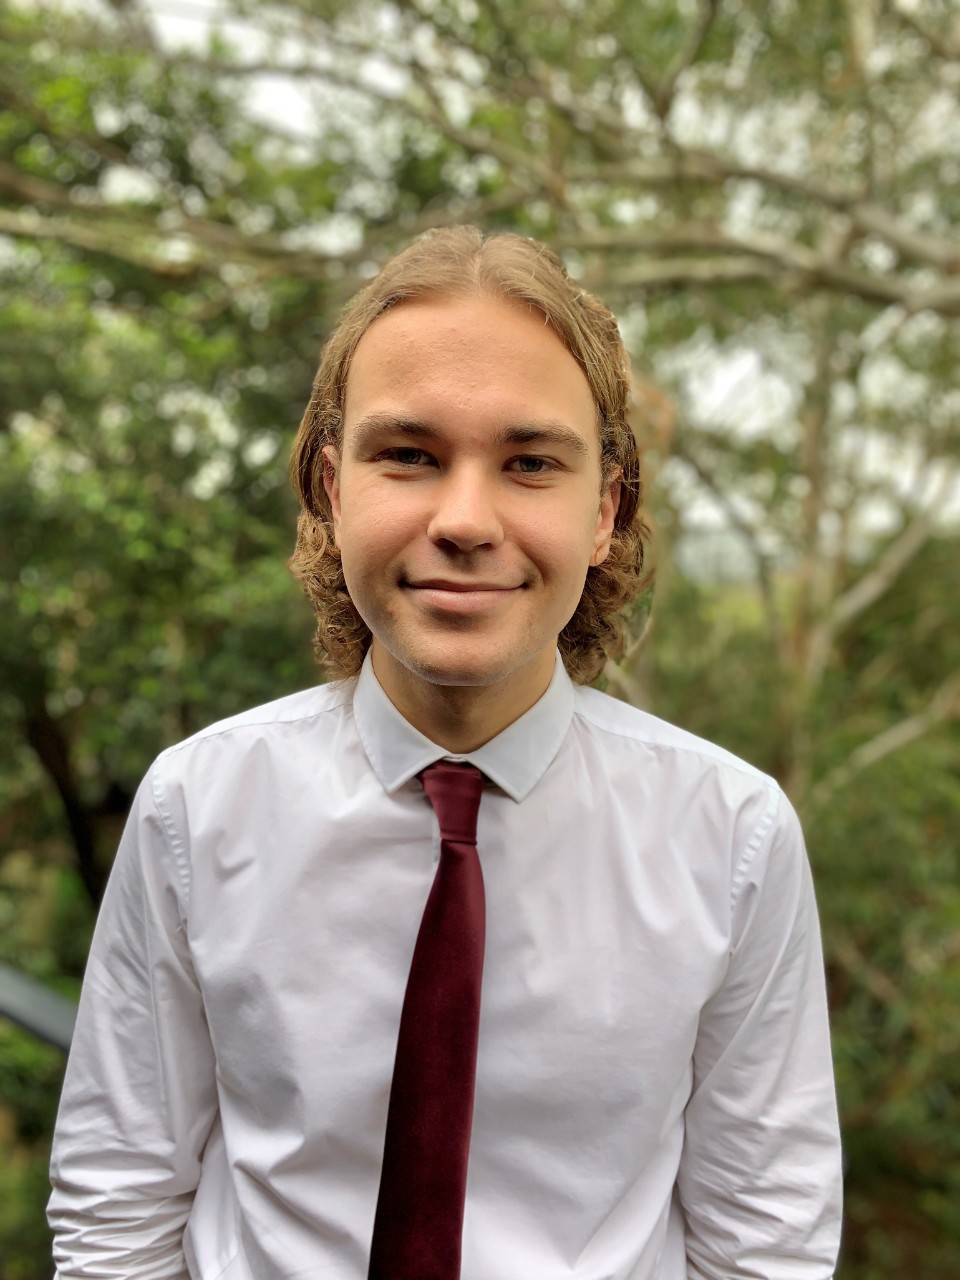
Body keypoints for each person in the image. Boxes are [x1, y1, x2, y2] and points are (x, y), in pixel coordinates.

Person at [48, 225, 843, 1278]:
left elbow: (766, 1238)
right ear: (333, 488)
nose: (466, 518)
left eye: (528, 463)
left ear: (604, 507)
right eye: (410, 455)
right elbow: (120, 1198)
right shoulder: (198, 808)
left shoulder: (731, 837)